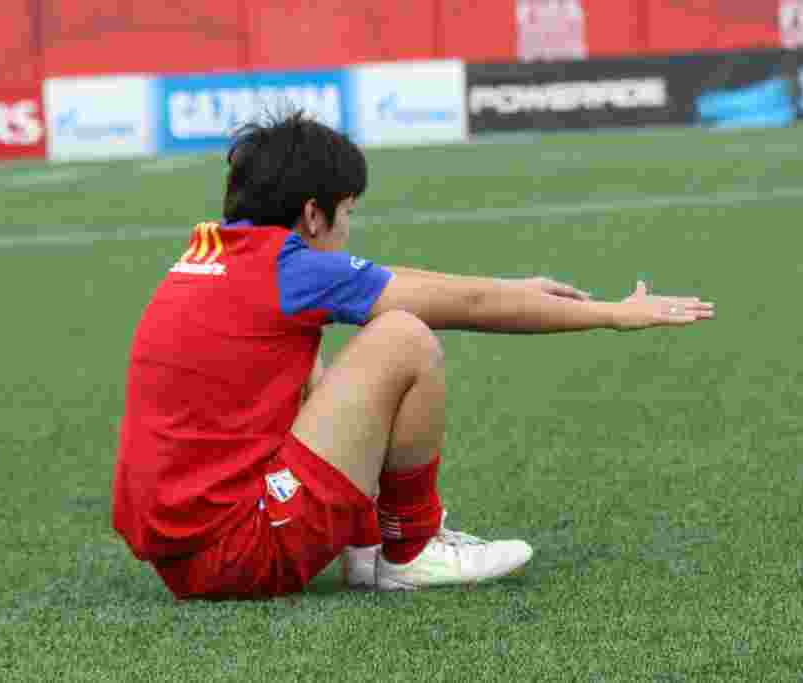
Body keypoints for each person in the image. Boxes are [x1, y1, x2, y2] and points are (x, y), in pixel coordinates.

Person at [111, 111, 715, 600]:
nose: (348, 228)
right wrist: (611, 313)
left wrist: (515, 288)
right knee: (403, 337)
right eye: (347, 213)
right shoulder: (285, 270)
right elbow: (467, 304)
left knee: (313, 366)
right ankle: (410, 549)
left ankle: (368, 547)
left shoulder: (212, 258)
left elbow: (418, 285)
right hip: (241, 554)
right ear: (312, 215)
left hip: (188, 561)